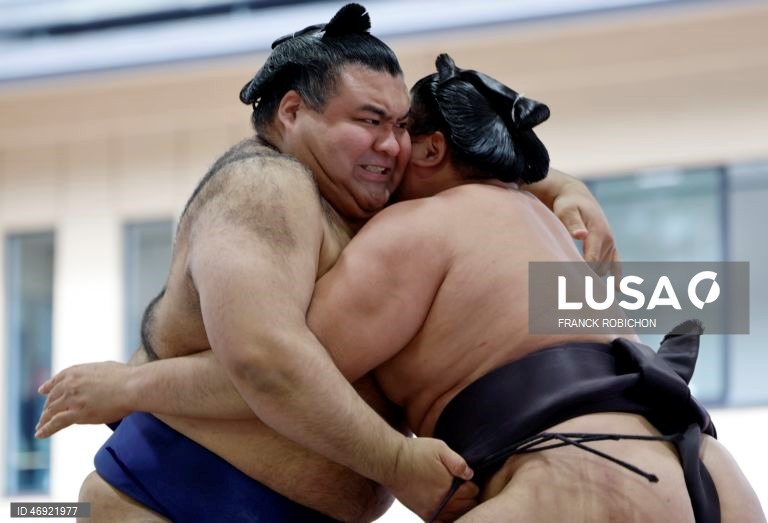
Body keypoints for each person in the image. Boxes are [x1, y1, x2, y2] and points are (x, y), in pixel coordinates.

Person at [35, 8, 623, 523]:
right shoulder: (263, 184)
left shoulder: (371, 201)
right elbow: (265, 363)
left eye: (400, 127)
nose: (391, 146)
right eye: (369, 122)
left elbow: (469, 158)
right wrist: (395, 460)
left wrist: (564, 188)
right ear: (293, 112)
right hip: (166, 503)